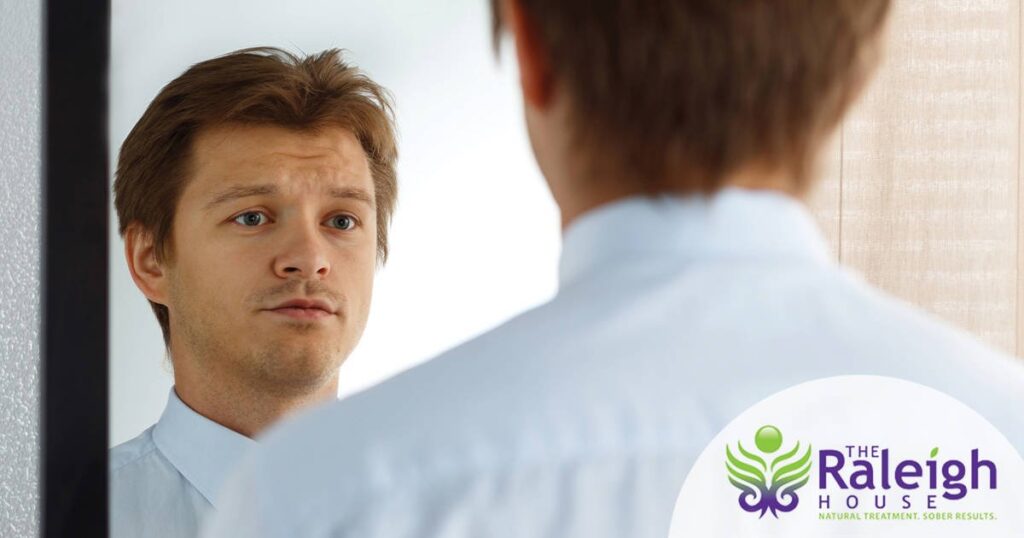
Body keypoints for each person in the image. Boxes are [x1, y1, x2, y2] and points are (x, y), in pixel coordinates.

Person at [205, 2, 1024, 536]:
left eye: (342, 219)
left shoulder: (322, 494)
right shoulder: (1004, 437)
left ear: (530, 51)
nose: (306, 257)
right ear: (860, 66)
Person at [108, 47, 398, 538]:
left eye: (342, 220)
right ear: (150, 258)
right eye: (252, 217)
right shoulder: (57, 520)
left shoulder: (476, 514)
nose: (309, 258)